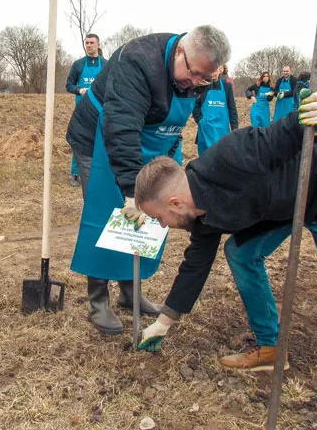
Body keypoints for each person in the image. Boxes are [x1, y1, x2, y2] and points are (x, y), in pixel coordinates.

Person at [133, 91, 317, 430]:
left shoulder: (231, 156)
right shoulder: (200, 215)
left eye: (159, 217)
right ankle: (271, 347)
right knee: (241, 253)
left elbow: (291, 131)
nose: (161, 225)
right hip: (289, 202)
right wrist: (165, 322)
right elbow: (195, 265)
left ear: (174, 201)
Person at [66, 26, 230, 335]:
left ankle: (130, 291)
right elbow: (121, 128)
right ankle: (98, 301)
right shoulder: (138, 61)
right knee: (108, 212)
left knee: (148, 215)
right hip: (99, 138)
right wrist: (131, 192)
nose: (195, 84)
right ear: (180, 52)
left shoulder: (199, 74)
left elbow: (184, 115)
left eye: (204, 79)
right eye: (193, 74)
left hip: (151, 140)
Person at [65, 34, 107, 190]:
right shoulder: (78, 65)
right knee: (80, 142)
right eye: (87, 43)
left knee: (101, 142)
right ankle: (75, 174)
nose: (89, 45)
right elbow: (69, 85)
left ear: (98, 44)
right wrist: (78, 90)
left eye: (92, 43)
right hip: (82, 114)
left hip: (101, 112)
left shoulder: (106, 64)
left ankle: (101, 172)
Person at [192, 64, 238, 155]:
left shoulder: (226, 87)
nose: (213, 73)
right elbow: (195, 105)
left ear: (219, 71)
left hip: (222, 129)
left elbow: (232, 107)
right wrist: (200, 120)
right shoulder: (201, 86)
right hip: (206, 129)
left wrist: (234, 127)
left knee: (221, 155)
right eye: (211, 71)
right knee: (205, 156)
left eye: (215, 70)